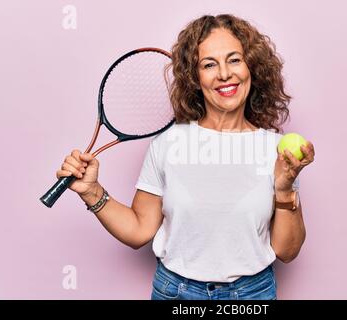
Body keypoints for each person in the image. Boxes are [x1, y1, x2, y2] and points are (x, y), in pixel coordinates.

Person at [56, 14, 315, 300]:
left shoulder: (277, 151)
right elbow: (139, 230)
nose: (225, 74)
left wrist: (284, 188)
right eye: (209, 64)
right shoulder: (168, 144)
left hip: (252, 295)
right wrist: (92, 192)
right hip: (176, 294)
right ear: (195, 77)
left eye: (234, 60)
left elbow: (287, 251)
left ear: (251, 67)